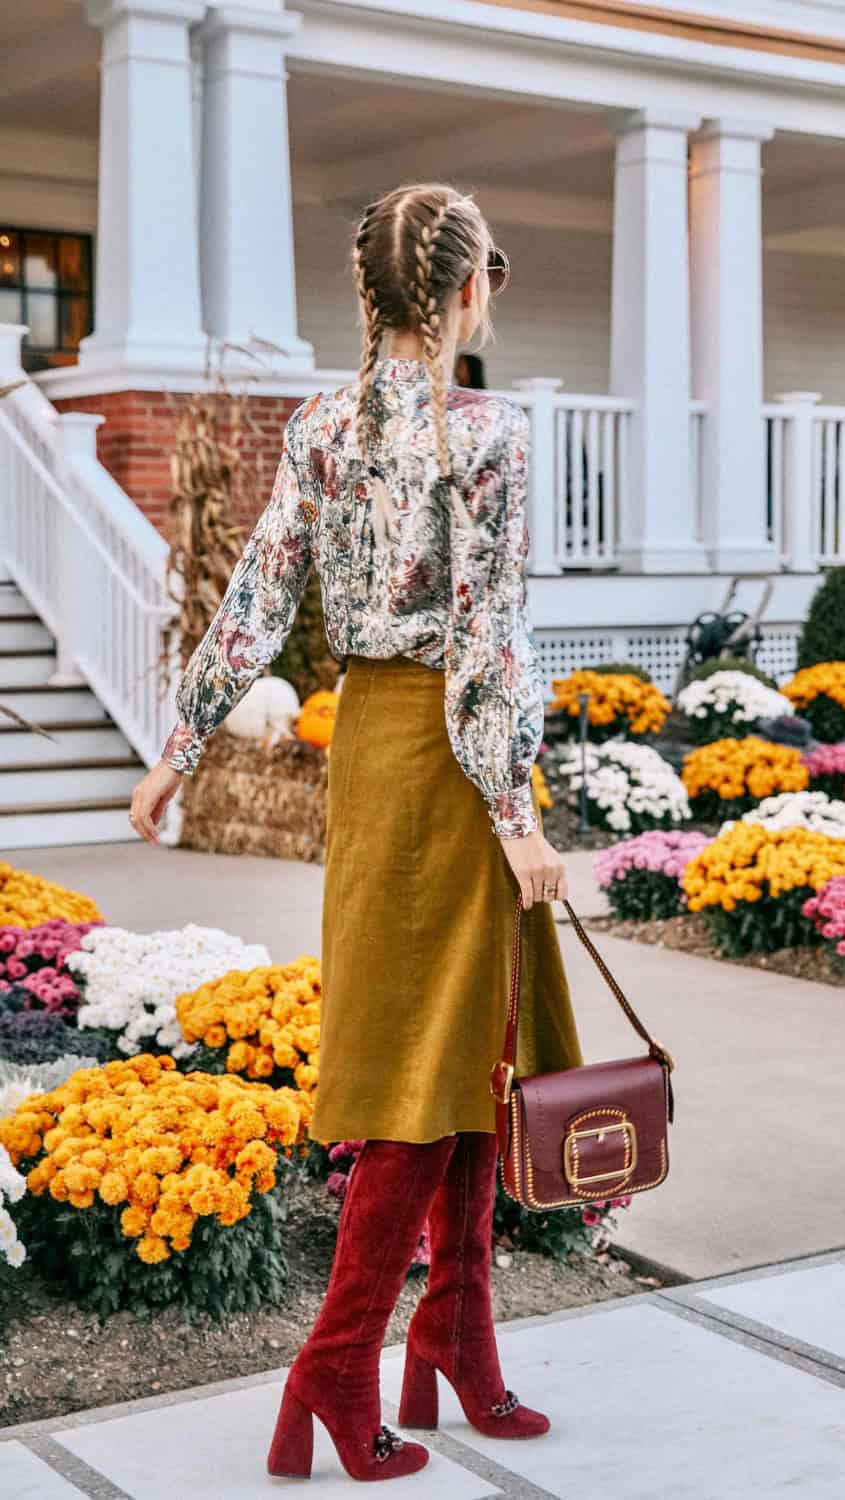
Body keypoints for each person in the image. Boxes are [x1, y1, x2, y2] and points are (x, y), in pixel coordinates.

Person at [128, 181, 583, 1485]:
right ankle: (338, 1363)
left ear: (365, 290)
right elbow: (490, 638)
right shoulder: (491, 432)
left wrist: (176, 750)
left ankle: (454, 1343)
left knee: (459, 1052)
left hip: (376, 750)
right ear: (463, 291)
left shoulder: (318, 425)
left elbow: (257, 596)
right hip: (455, 753)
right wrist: (514, 818)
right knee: (422, 1063)